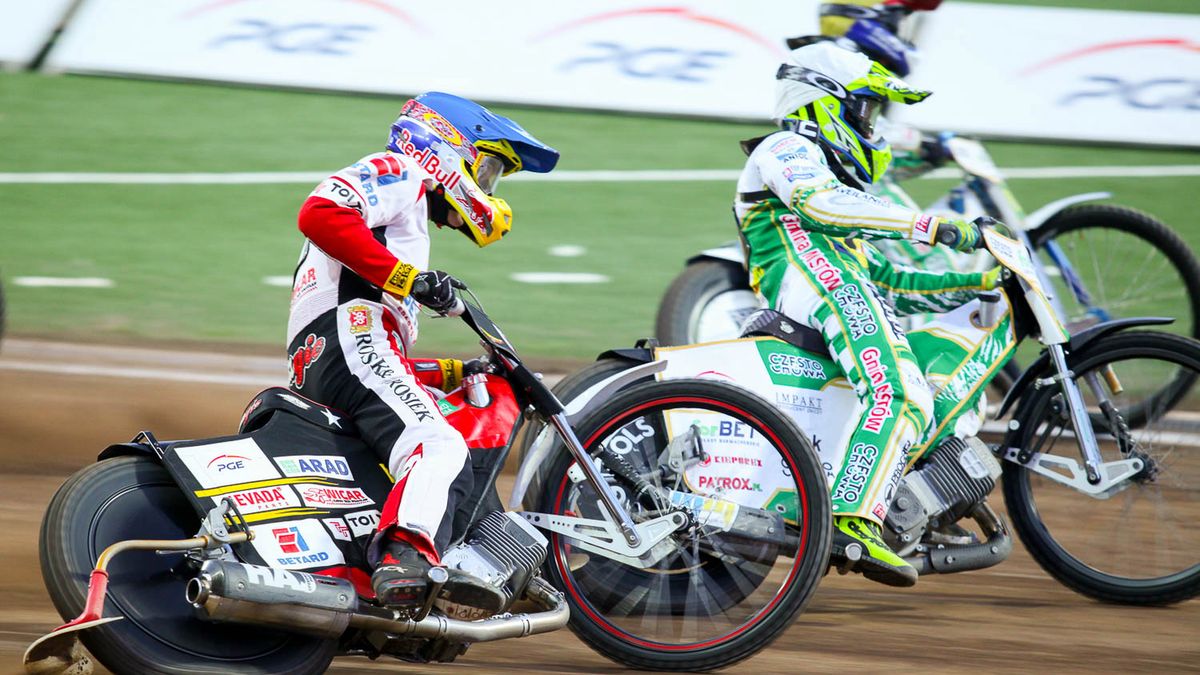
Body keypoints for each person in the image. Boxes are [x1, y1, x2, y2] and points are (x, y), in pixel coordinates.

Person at [735, 40, 1012, 587]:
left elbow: (890, 282)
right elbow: (821, 203)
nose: (873, 125)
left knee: (931, 395)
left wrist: (983, 281)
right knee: (902, 391)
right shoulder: (785, 147)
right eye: (866, 108)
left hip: (838, 287)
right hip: (815, 287)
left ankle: (915, 503)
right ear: (824, 101)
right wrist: (933, 226)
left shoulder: (832, 177)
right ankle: (854, 518)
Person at [286, 92, 558, 612]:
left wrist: (451, 370)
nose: (487, 187)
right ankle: (406, 557)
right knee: (438, 444)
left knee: (426, 432)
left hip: (337, 350)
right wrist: (409, 279)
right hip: (351, 338)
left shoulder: (403, 203)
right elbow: (319, 212)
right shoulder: (401, 171)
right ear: (449, 146)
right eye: (489, 168)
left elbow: (373, 353)